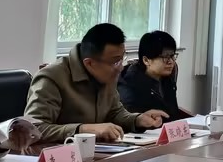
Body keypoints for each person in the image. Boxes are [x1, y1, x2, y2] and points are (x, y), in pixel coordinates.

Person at [24, 23, 167, 143]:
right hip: (60, 158)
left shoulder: (106, 74)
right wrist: (83, 129)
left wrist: (137, 120)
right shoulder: (52, 78)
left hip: (94, 154)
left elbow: (115, 112)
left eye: (122, 59)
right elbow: (32, 129)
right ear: (90, 63)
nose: (120, 68)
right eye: (115, 62)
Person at [117, 30, 189, 121]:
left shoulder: (169, 75)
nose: (171, 62)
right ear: (146, 60)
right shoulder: (129, 83)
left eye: (172, 56)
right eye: (165, 57)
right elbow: (130, 121)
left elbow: (172, 111)